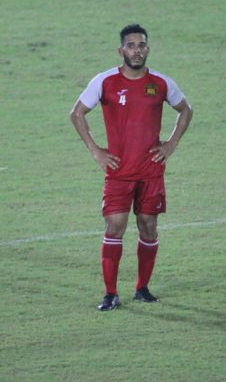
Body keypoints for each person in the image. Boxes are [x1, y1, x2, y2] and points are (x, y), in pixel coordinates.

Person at [70, 24, 193, 311]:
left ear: (147, 49)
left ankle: (142, 288)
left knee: (148, 226)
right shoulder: (105, 81)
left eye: (141, 45)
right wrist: (96, 151)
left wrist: (171, 143)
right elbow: (77, 113)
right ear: (121, 50)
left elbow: (186, 110)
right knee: (114, 226)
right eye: (131, 46)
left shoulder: (160, 83)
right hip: (119, 171)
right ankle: (110, 294)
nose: (137, 51)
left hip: (151, 171)